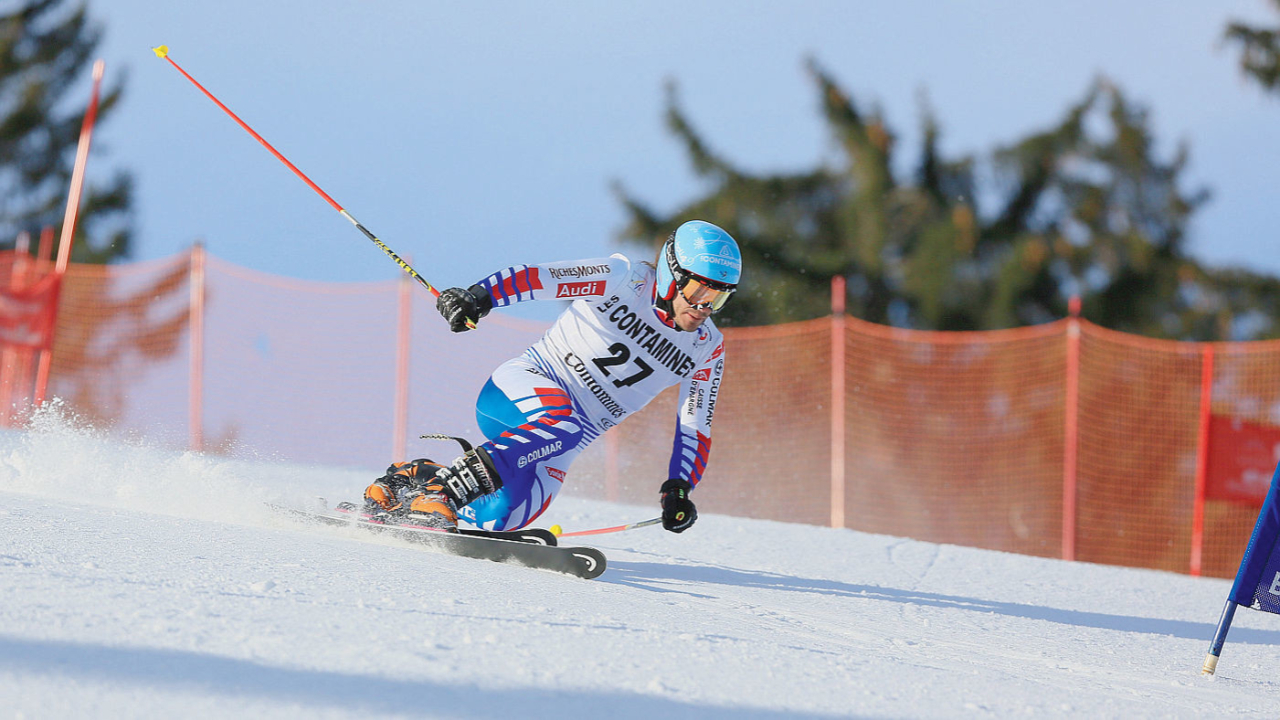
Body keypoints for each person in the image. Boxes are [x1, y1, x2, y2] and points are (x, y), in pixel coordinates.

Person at [363, 220, 741, 534]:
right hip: (519, 391)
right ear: (672, 275)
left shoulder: (706, 348)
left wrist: (679, 487)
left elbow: (696, 426)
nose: (703, 306)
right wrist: (479, 297)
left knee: (503, 520)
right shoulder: (624, 279)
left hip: (559, 443)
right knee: (566, 423)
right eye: (698, 290)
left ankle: (412, 480)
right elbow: (542, 278)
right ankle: (443, 490)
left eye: (719, 298)